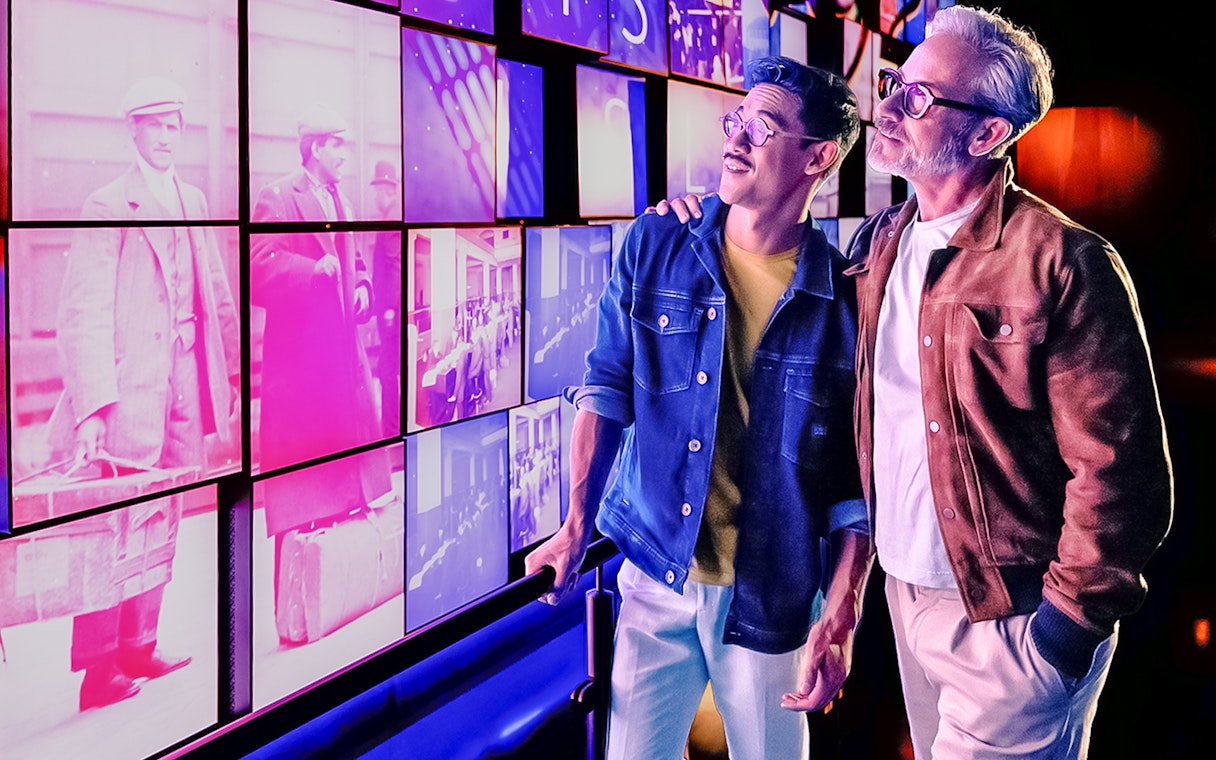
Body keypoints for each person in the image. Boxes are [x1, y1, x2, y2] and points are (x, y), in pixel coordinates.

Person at [665, 7, 1176, 757]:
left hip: (1010, 623)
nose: (890, 107)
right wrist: (693, 221)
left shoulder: (1063, 261)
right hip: (906, 603)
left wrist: (1059, 637)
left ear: (988, 135)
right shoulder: (881, 244)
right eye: (894, 84)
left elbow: (1122, 475)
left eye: (920, 98)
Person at [525, 57, 870, 759]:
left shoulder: (843, 298)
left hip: (770, 595)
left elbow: (851, 487)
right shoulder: (656, 242)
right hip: (655, 571)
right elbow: (606, 387)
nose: (735, 139)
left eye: (763, 126)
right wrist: (573, 526)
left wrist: (844, 611)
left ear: (819, 158)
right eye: (735, 120)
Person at [51, 75, 241, 709]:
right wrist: (93, 410)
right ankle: (98, 669)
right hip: (128, 387)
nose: (167, 135)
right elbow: (84, 310)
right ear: (131, 129)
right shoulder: (107, 204)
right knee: (113, 521)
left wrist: (228, 381)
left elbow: (215, 295)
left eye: (174, 125)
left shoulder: (192, 197)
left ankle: (140, 643)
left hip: (185, 384)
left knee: (166, 512)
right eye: (155, 124)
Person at [251, 103, 391, 642]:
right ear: (314, 148)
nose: (345, 155)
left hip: (341, 365)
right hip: (302, 371)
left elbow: (355, 263)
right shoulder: (278, 196)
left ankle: (327, 602)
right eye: (337, 145)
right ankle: (292, 618)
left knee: (339, 482)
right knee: (300, 492)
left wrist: (359, 285)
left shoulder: (341, 199)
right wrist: (312, 271)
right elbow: (258, 264)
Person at [369, 159, 402, 435]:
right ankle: (392, 423)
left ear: (389, 191)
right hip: (390, 310)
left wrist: (389, 310)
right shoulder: (391, 217)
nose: (376, 196)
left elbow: (393, 266)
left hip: (391, 312)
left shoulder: (391, 219)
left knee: (388, 370)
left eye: (379, 190)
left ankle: (391, 427)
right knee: (388, 368)